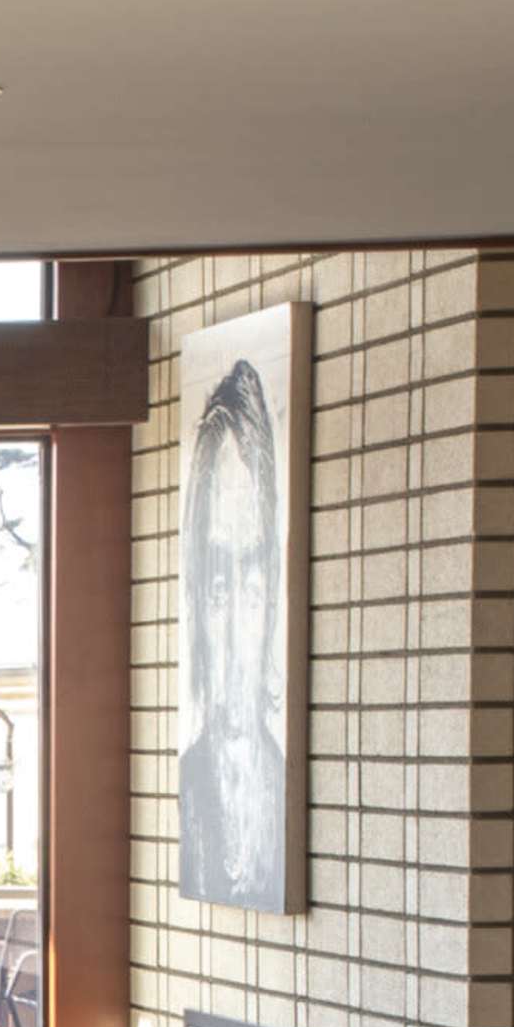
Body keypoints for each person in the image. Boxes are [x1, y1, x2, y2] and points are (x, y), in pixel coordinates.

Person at [180, 353, 288, 908]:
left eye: (250, 589)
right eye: (219, 590)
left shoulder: (282, 782)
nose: (233, 637)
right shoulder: (187, 783)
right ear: (196, 599)